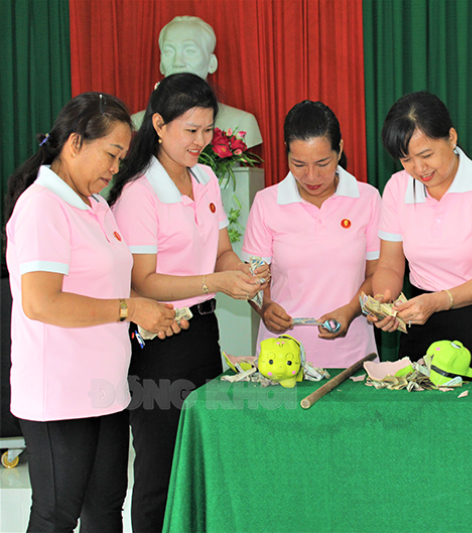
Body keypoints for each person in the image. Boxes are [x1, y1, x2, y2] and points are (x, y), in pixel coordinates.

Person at [4, 92, 178, 532]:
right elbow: (41, 302)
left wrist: (147, 314)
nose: (115, 168)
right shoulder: (42, 205)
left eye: (121, 158)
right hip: (60, 393)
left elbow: (107, 286)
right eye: (111, 154)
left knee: (104, 510)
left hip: (105, 388)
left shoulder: (96, 205)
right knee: (56, 514)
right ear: (75, 143)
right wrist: (129, 308)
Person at [108, 73, 268, 533]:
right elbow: (143, 281)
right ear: (159, 125)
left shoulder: (205, 178)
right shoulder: (139, 193)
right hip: (158, 341)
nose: (200, 141)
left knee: (200, 460)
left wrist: (244, 274)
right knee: (159, 471)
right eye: (190, 130)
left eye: (208, 130)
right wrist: (216, 280)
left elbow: (222, 251)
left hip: (202, 333)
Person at [371, 91, 472, 368]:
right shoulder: (397, 188)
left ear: (451, 137)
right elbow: (390, 265)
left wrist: (440, 301)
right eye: (406, 160)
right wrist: (385, 302)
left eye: (426, 155)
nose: (419, 168)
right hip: (421, 322)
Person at [242, 100, 380, 368]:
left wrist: (350, 311)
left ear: (339, 149)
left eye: (322, 163)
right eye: (299, 164)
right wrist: (265, 307)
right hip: (281, 358)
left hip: (352, 355)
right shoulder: (267, 203)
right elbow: (253, 277)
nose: (311, 176)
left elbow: (377, 274)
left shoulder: (368, 199)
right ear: (287, 153)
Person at [131, 15, 262, 148]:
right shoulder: (136, 123)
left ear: (212, 63)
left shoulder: (241, 123)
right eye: (169, 51)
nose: (178, 62)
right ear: (161, 64)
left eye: (190, 51)